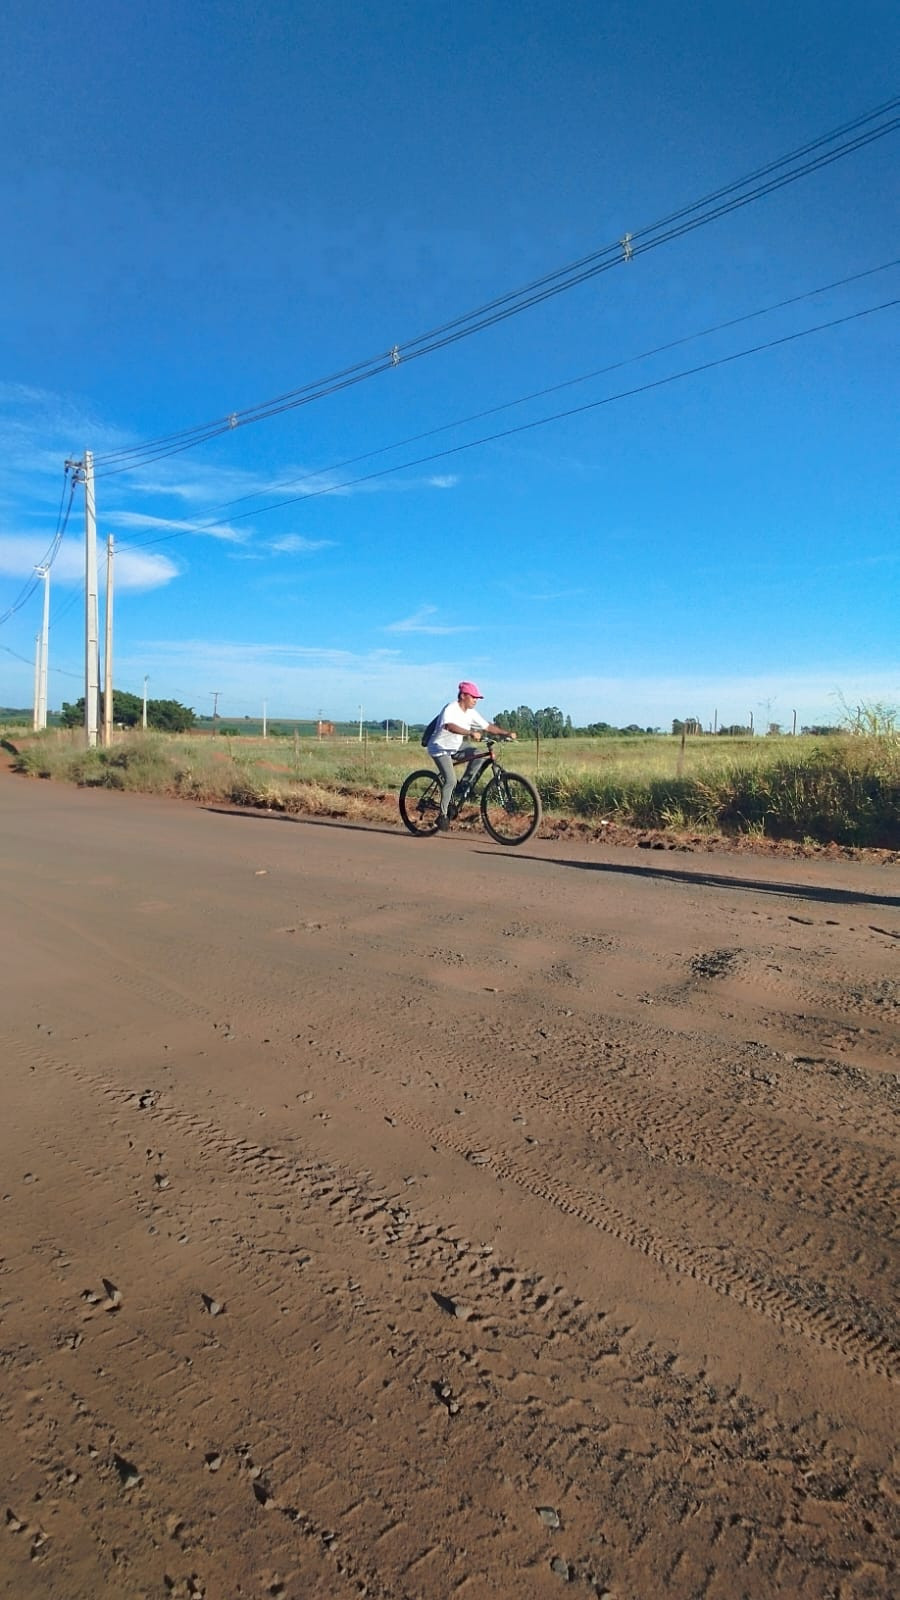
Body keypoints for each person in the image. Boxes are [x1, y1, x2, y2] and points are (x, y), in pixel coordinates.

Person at [425, 680, 516, 831]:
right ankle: (443, 815)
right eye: (473, 697)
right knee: (450, 780)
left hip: (455, 747)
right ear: (463, 696)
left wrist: (505, 733)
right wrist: (470, 732)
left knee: (478, 754)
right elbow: (449, 726)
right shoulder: (451, 708)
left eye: (477, 698)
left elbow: (487, 726)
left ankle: (463, 786)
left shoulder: (471, 713)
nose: (476, 700)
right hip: (439, 748)